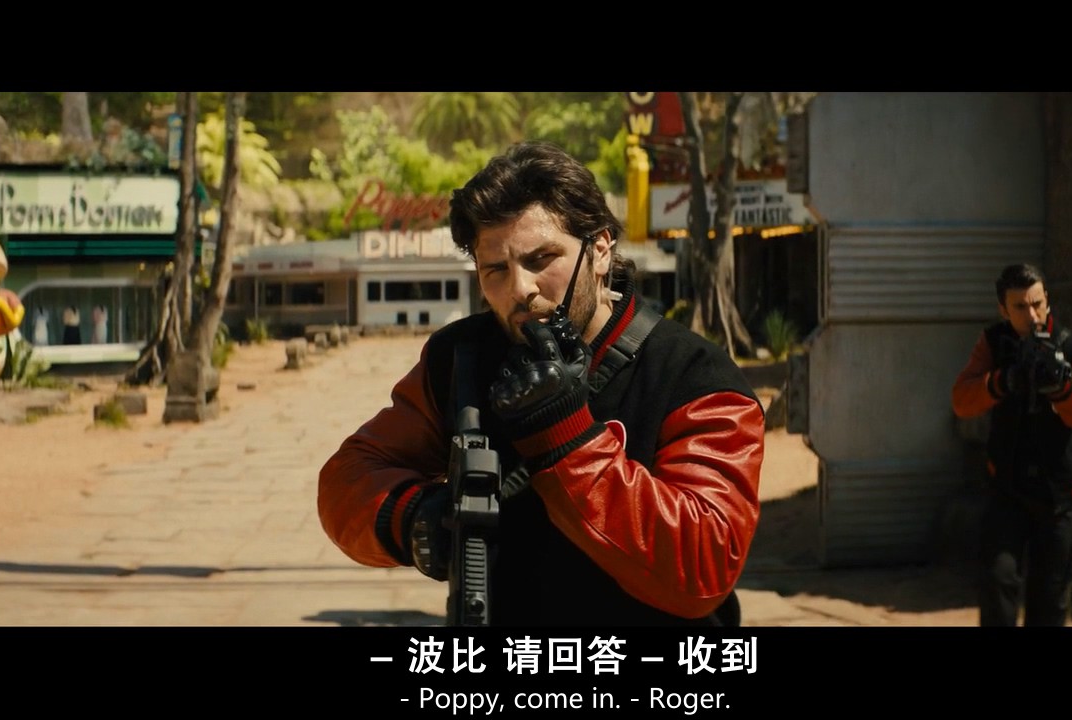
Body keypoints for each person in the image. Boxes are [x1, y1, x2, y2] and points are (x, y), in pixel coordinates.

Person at [318, 141, 765, 626]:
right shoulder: (463, 358)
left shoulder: (695, 376)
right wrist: (414, 519)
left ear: (600, 249)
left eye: (541, 258)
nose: (521, 289)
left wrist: (566, 438)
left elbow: (703, 567)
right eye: (495, 270)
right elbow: (348, 478)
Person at [952, 263, 1072, 626]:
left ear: (1047, 300)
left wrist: (1063, 388)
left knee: (1050, 600)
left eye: (1037, 303)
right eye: (1020, 307)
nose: (1032, 315)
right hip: (1008, 488)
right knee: (997, 581)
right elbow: (962, 400)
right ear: (1003, 309)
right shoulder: (994, 344)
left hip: (1060, 495)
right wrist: (1002, 382)